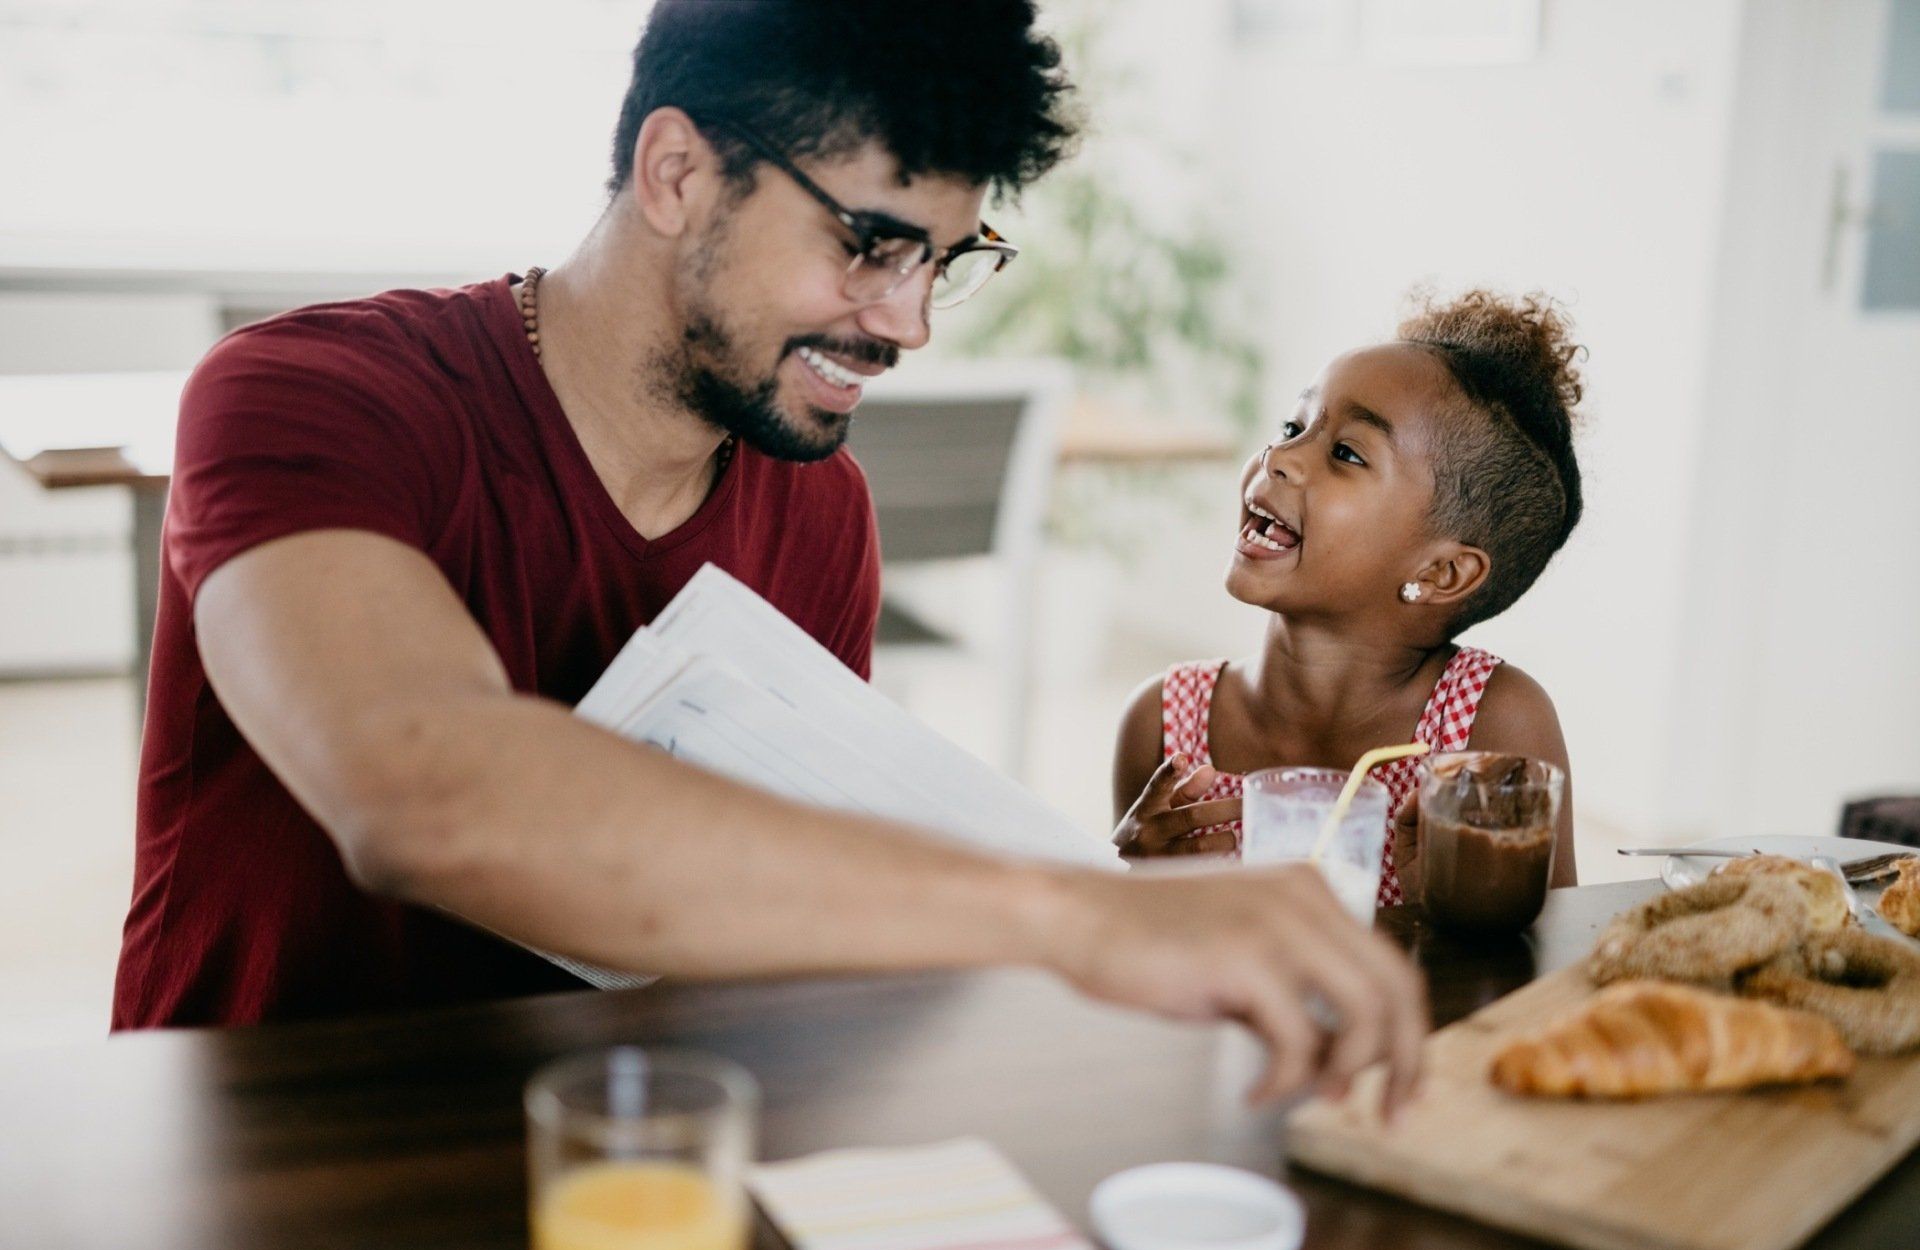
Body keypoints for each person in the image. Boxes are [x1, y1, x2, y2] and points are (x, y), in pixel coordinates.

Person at [113, 0, 1426, 1114]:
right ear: (678, 172)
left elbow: (769, 918)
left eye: (944, 261)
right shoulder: (312, 397)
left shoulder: (820, 511)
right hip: (252, 1151)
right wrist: (1072, 915)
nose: (909, 321)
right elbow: (424, 795)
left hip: (621, 1144)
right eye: (870, 244)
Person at [1112, 289, 1583, 903]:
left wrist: (1438, 913)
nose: (1279, 457)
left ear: (1441, 573)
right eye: (1293, 426)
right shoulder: (1161, 725)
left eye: (1345, 453)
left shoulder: (1491, 728)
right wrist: (1138, 888)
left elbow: (1551, 966)